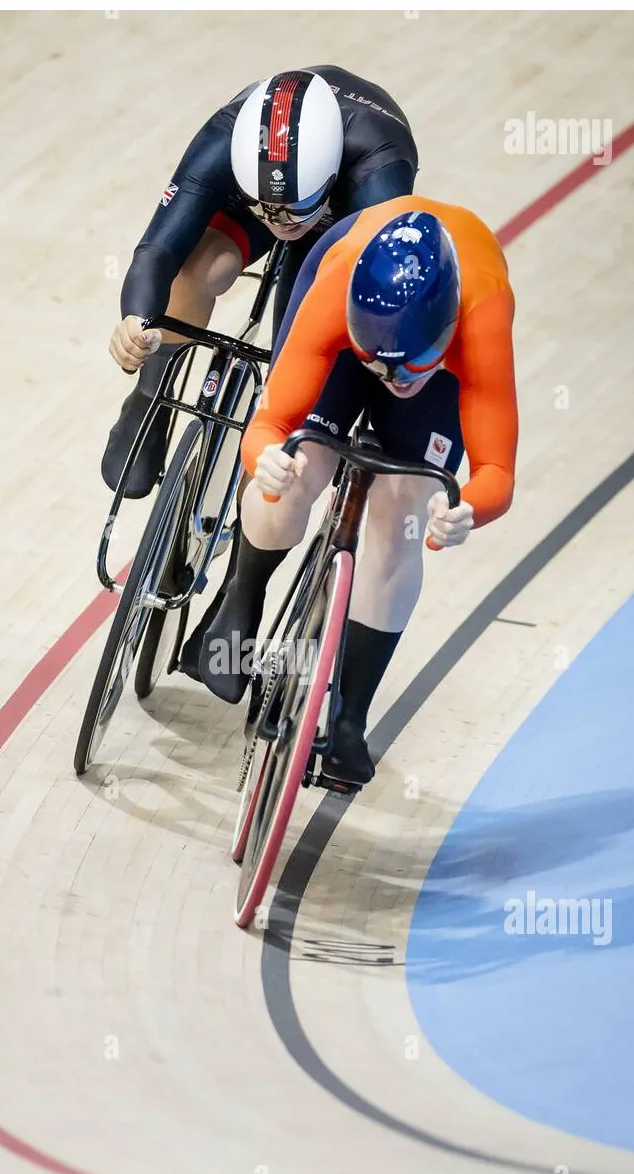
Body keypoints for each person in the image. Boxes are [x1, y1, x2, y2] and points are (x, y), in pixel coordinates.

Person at [195, 199, 519, 788]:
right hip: (343, 319)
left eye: (409, 369)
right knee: (296, 470)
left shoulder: (481, 316)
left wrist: (467, 506)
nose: (394, 382)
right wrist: (264, 458)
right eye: (381, 367)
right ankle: (241, 602)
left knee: (402, 521)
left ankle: (349, 719)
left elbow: (497, 470)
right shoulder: (335, 291)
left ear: (447, 334)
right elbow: (269, 425)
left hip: (435, 354)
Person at [101, 66, 420, 506]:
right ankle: (151, 391)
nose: (280, 224)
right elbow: (158, 250)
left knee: (302, 348)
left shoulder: (379, 167)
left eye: (292, 211)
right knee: (203, 268)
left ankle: (251, 530)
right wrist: (136, 323)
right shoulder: (225, 137)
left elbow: (377, 304)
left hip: (347, 213)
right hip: (286, 190)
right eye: (266, 208)